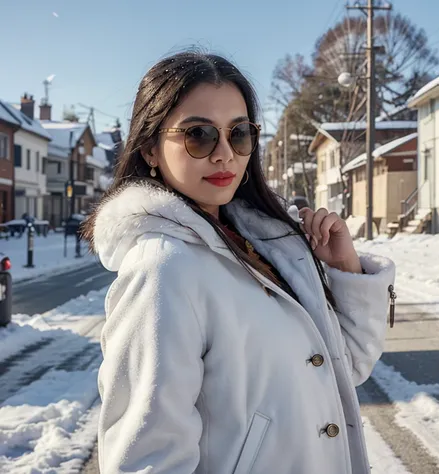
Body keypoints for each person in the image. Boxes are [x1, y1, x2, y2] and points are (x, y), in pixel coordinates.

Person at [82, 50, 396, 474]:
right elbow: (147, 461)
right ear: (150, 149)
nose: (224, 154)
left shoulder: (268, 246)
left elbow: (348, 366)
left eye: (240, 133)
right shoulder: (163, 270)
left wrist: (345, 269)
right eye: (199, 135)